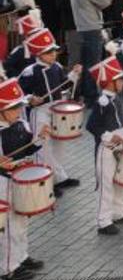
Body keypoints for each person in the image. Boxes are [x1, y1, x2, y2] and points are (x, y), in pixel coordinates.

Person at [17, 28, 81, 193]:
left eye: (54, 51)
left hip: (57, 108)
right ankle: (45, 182)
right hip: (40, 111)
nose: (53, 55)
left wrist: (74, 75)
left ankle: (59, 178)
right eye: (48, 52)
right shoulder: (29, 71)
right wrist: (31, 98)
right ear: (38, 54)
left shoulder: (57, 67)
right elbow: (20, 94)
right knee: (42, 146)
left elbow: (65, 84)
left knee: (59, 144)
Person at [86, 54, 123, 235]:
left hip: (118, 143)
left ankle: (120, 212)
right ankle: (103, 221)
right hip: (106, 148)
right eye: (120, 80)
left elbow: (114, 119)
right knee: (107, 184)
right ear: (110, 81)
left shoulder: (115, 98)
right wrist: (110, 136)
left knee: (119, 181)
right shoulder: (102, 101)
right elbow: (92, 126)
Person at [0, 76, 46, 280]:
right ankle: (9, 267)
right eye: (13, 108)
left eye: (19, 107)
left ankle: (22, 255)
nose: (18, 112)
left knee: (21, 221)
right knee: (9, 224)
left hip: (19, 178)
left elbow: (30, 146)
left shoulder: (20, 124)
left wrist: (40, 137)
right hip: (4, 182)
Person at [69, 0, 110, 72]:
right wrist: (108, 0)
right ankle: (92, 90)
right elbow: (104, 2)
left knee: (87, 65)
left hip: (82, 26)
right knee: (94, 66)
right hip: (91, 27)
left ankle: (87, 90)